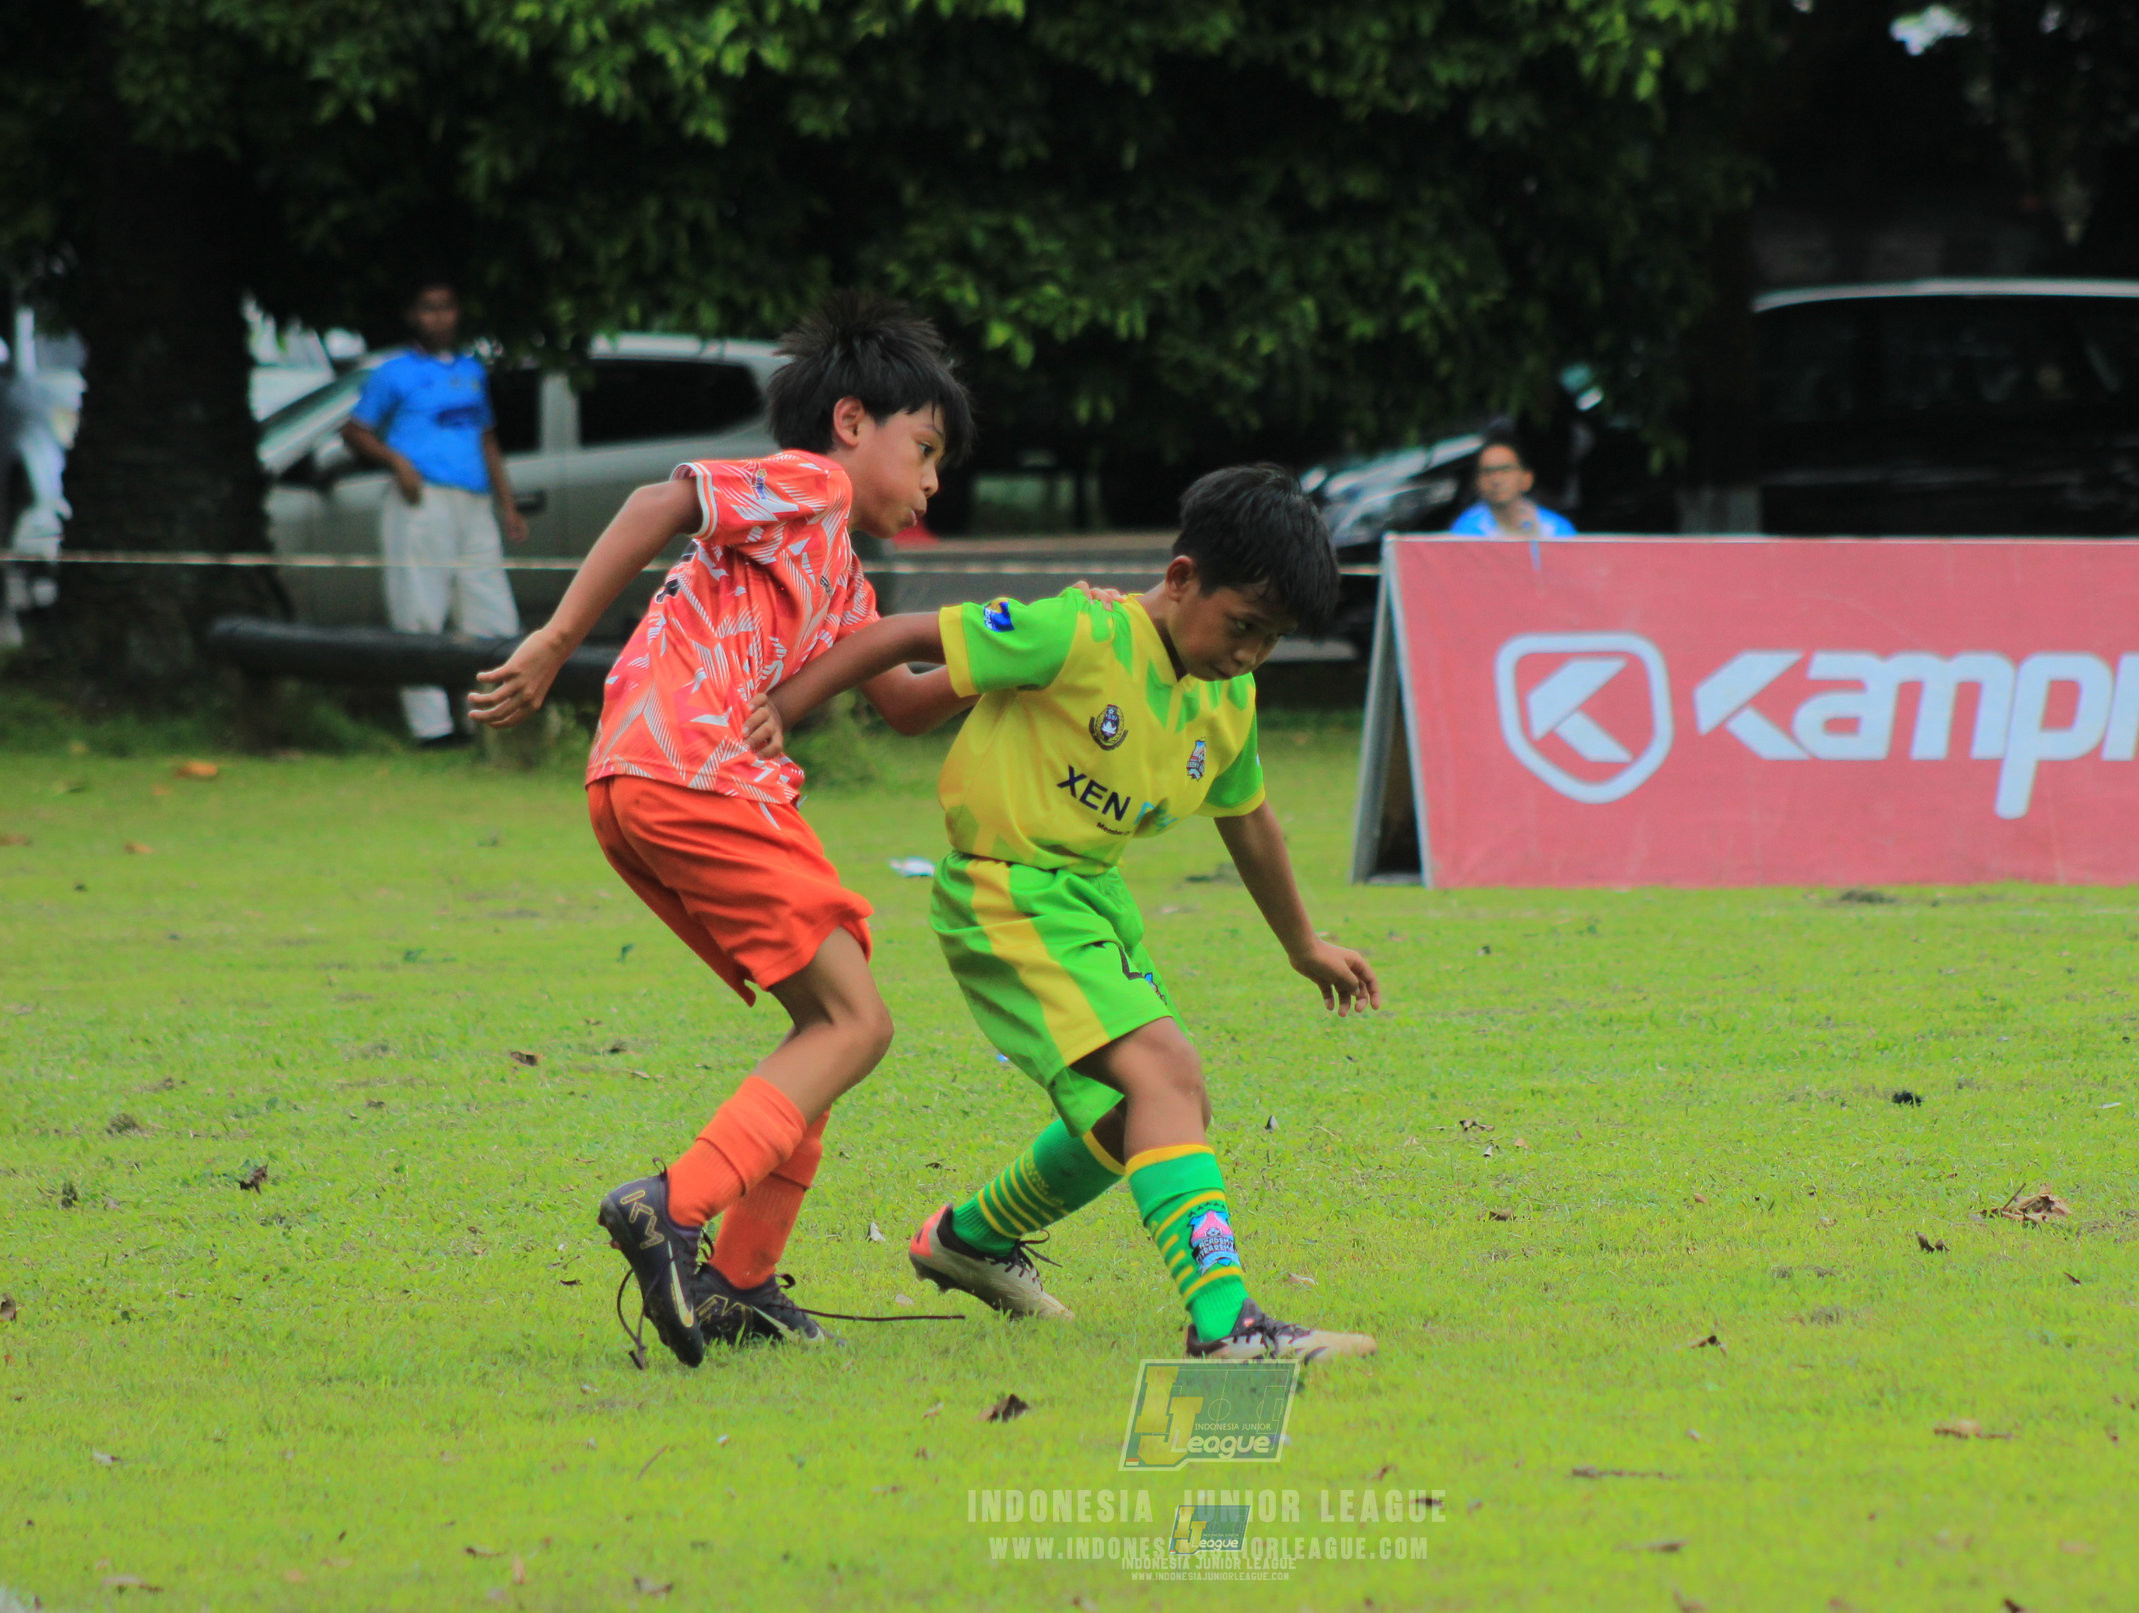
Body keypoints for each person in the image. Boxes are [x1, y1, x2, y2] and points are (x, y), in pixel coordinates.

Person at [741, 466, 1385, 1361]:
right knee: (1166, 1073)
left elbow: (1248, 818)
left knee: (1148, 1109)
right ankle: (1226, 1325)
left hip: (1089, 898)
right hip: (1005, 892)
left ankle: (971, 1237)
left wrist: (1302, 942)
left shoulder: (1224, 695)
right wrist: (780, 707)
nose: (1250, 654)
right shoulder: (1079, 630)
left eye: (1272, 640)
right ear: (1183, 577)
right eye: (1244, 625)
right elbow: (904, 639)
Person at [465, 294, 978, 1365]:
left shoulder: (838, 569)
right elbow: (660, 500)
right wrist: (555, 639)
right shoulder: (811, 484)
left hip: (639, 781)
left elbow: (899, 700)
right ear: (851, 422)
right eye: (925, 449)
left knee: (833, 1015)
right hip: (696, 770)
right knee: (858, 1023)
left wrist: (1026, 661)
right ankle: (674, 1204)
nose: (933, 480)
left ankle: (739, 1281)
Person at [341, 281, 530, 747]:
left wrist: (507, 504)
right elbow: (355, 430)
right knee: (420, 609)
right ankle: (431, 728)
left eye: (446, 308)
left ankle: (487, 721)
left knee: (491, 612)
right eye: (428, 309)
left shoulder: (471, 370)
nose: (439, 318)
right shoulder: (393, 372)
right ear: (412, 315)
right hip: (421, 499)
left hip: (473, 501)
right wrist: (397, 463)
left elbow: (486, 438)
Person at [1449, 430, 1577, 539]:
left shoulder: (1556, 528)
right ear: (1477, 482)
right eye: (1488, 472)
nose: (1496, 480)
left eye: (1505, 470)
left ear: (1527, 478)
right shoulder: (1464, 531)